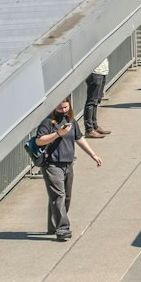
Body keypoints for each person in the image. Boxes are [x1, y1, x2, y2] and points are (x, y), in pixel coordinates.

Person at [33, 97, 102, 240]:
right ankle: (63, 228)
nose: (63, 111)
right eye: (60, 108)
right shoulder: (47, 123)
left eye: (65, 107)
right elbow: (39, 141)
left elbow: (79, 138)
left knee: (66, 197)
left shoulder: (70, 120)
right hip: (52, 164)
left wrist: (93, 154)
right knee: (59, 196)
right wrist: (58, 133)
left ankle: (53, 225)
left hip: (68, 163)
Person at [82, 56, 110, 139]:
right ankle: (89, 129)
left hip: (102, 72)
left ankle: (95, 126)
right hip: (95, 73)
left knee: (96, 101)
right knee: (91, 101)